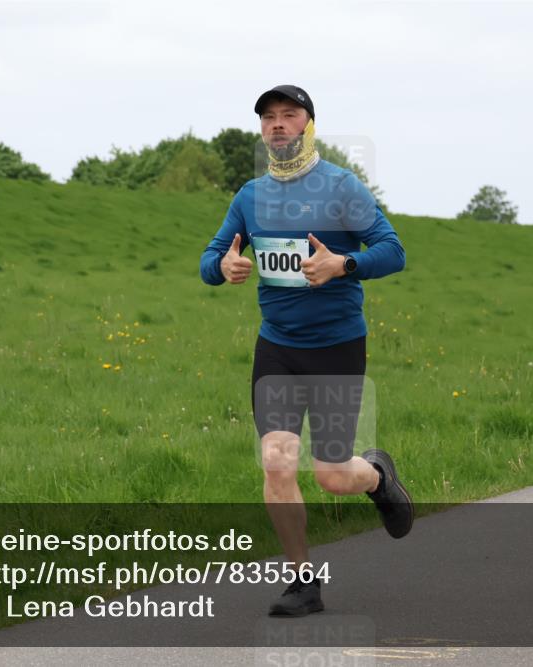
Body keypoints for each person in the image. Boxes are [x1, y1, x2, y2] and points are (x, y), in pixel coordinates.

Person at [199, 85, 413, 617]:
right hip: (277, 348)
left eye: (288, 115)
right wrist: (223, 266)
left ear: (308, 124)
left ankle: (377, 476)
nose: (277, 124)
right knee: (276, 462)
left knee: (332, 476)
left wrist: (343, 264)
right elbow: (210, 258)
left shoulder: (341, 186)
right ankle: (302, 583)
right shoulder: (250, 196)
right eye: (268, 117)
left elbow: (392, 250)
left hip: (336, 347)